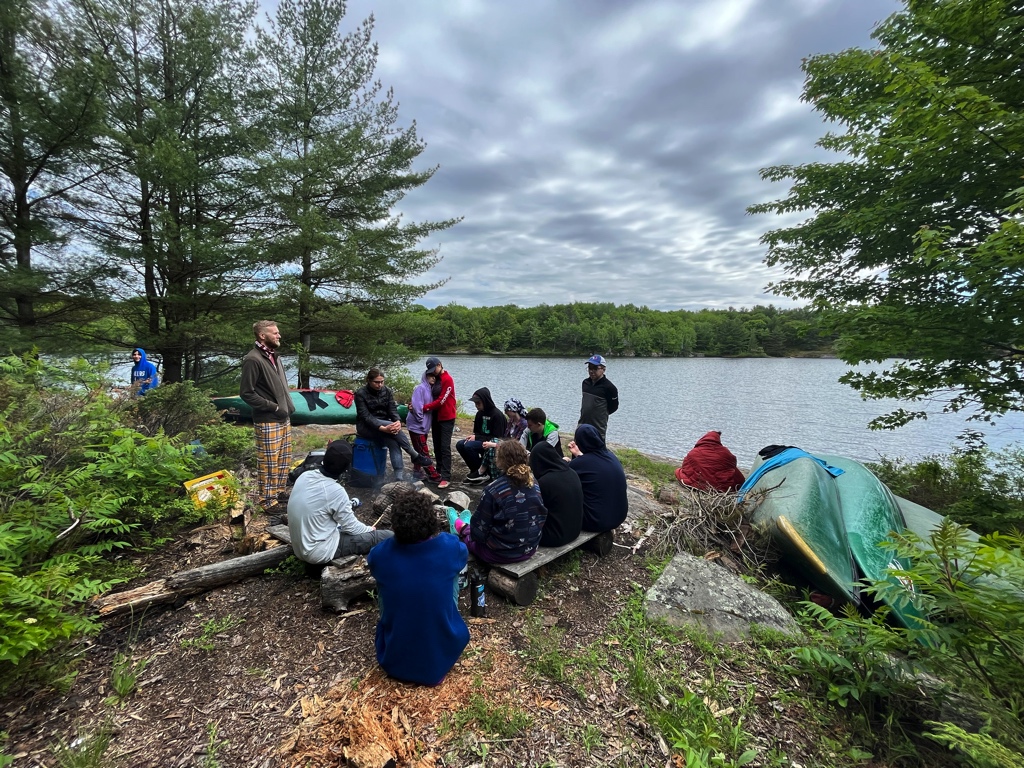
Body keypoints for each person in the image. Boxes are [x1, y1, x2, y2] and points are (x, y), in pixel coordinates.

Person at [366, 489, 469, 686]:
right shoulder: (449, 547)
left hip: (393, 659)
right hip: (442, 657)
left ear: (395, 524)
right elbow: (463, 552)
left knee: (384, 581)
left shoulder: (380, 554)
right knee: (452, 573)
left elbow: (372, 560)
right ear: (432, 521)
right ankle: (443, 622)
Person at [288, 440, 393, 563]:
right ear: (346, 468)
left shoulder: (305, 476)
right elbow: (352, 528)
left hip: (300, 547)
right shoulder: (336, 491)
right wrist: (369, 530)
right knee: (387, 536)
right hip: (319, 551)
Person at [454, 441, 547, 564]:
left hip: (500, 553)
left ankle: (460, 527)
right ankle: (463, 526)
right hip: (529, 548)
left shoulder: (493, 489)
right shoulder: (533, 481)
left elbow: (479, 531)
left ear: (500, 461)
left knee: (469, 537)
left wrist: (471, 533)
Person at [240, 320, 295, 511]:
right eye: (275, 333)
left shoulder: (274, 356)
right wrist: (273, 407)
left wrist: (288, 406)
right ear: (262, 336)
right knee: (269, 462)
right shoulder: (253, 359)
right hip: (268, 419)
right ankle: (267, 501)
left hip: (283, 416)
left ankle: (279, 492)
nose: (279, 335)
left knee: (283, 459)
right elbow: (246, 393)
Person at [355, 368, 432, 482]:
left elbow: (393, 410)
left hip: (386, 426)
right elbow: (366, 416)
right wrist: (383, 428)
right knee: (389, 428)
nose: (380, 385)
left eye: (382, 382)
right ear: (369, 381)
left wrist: (397, 422)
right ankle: (414, 455)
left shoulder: (387, 391)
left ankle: (398, 477)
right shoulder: (360, 394)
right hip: (366, 427)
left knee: (393, 442)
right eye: (376, 382)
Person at [567, 423, 628, 533]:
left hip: (595, 521)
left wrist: (564, 462)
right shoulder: (611, 456)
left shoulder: (581, 463)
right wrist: (579, 455)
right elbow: (592, 464)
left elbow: (562, 477)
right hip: (619, 517)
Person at [529, 441, 584, 547]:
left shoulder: (544, 482)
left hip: (554, 537)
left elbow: (534, 511)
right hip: (575, 531)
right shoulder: (572, 472)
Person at [457, 387, 507, 484]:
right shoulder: (479, 414)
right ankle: (475, 471)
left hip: (492, 444)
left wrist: (477, 438)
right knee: (460, 444)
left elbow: (498, 438)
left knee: (469, 446)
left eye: (478, 403)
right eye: (475, 404)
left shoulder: (497, 415)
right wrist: (474, 437)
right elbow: (477, 432)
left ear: (485, 401)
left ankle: (483, 473)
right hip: (482, 441)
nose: (476, 406)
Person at [423, 357, 457, 489]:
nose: (433, 372)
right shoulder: (435, 378)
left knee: (444, 446)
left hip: (447, 416)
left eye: (434, 369)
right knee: (436, 445)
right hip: (436, 416)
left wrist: (425, 407)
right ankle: (438, 471)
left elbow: (442, 400)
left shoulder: (447, 379)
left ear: (440, 365)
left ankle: (446, 476)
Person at [676, 431, 746, 492]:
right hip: (721, 487)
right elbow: (733, 463)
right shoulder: (725, 452)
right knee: (735, 474)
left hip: (698, 484)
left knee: (679, 471)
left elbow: (686, 467)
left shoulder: (694, 452)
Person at [406, 369, 443, 484]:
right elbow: (417, 406)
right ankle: (433, 475)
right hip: (417, 425)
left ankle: (417, 472)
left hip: (424, 425)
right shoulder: (420, 388)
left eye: (434, 376)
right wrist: (421, 421)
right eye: (430, 376)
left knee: (419, 450)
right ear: (425, 376)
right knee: (424, 450)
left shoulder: (431, 389)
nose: (433, 378)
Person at [480, 398, 530, 478]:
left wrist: (494, 444)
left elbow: (517, 444)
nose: (505, 412)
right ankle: (488, 473)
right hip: (508, 445)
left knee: (492, 447)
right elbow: (505, 438)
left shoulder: (523, 424)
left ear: (513, 410)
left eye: (507, 410)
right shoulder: (511, 421)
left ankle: (487, 473)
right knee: (492, 446)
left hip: (516, 450)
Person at [579, 355, 619, 441]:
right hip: (582, 424)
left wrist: (600, 414)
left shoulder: (609, 387)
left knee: (596, 452)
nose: (591, 371)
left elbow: (613, 407)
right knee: (577, 451)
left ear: (603, 369)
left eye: (595, 368)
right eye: (590, 368)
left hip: (598, 428)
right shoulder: (585, 383)